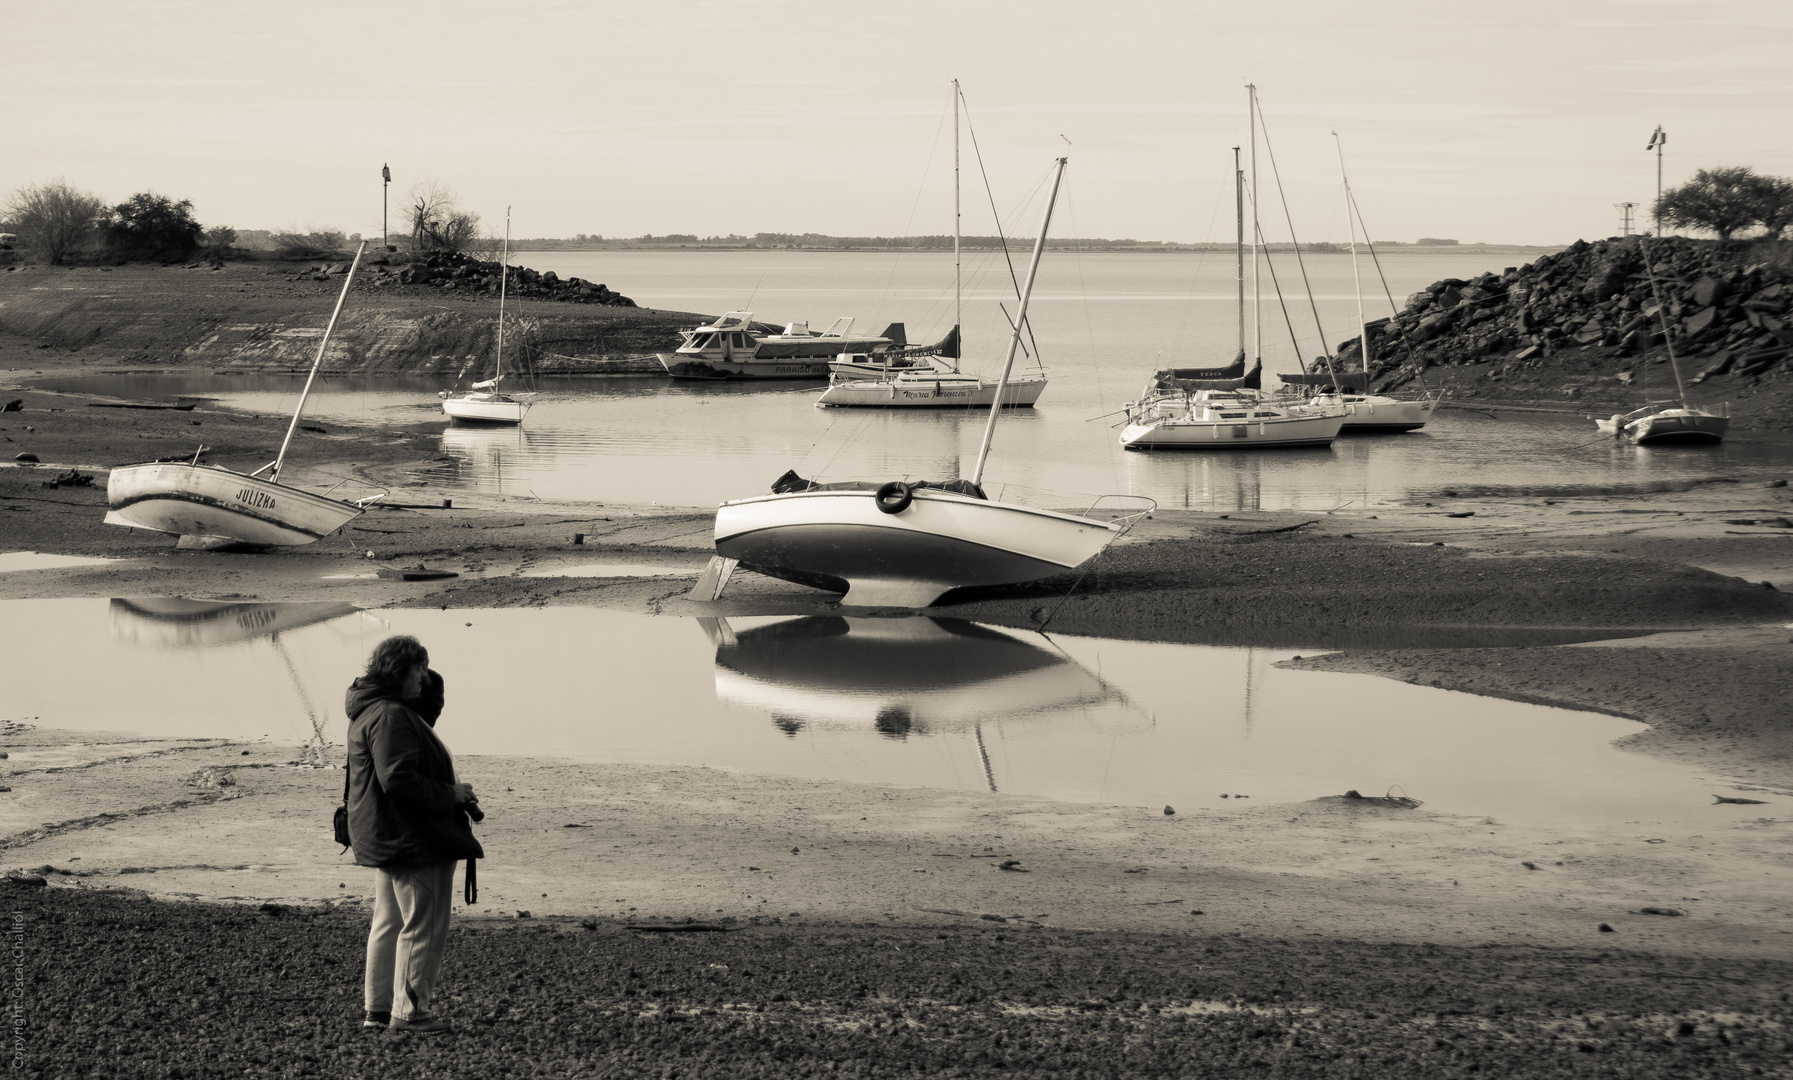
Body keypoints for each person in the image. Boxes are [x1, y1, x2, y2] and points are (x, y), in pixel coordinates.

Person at [344, 634, 482, 1035]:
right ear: (398, 672)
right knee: (423, 924)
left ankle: (379, 1011)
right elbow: (399, 780)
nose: (424, 677)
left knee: (389, 921)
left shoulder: (380, 708)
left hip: (389, 833)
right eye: (418, 669)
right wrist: (451, 793)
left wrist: (420, 668)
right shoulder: (389, 715)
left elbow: (428, 705)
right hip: (412, 837)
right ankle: (411, 1012)